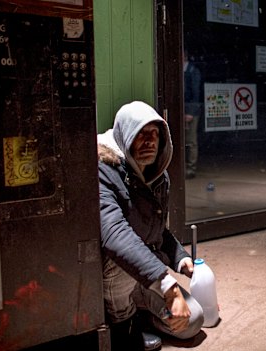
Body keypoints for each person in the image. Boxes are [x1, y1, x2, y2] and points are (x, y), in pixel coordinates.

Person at [97, 101, 204, 350]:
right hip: (114, 274)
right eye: (141, 134)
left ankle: (141, 314)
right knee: (120, 254)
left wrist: (180, 257)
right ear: (125, 136)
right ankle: (122, 324)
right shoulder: (103, 170)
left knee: (193, 321)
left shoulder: (157, 174)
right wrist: (169, 288)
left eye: (154, 134)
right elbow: (115, 236)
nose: (150, 141)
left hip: (143, 275)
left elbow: (156, 228)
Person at [184, 49, 202, 179]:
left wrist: (190, 112)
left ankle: (191, 168)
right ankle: (184, 167)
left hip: (190, 111)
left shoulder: (193, 71)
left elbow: (196, 94)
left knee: (191, 140)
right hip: (182, 110)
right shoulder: (182, 70)